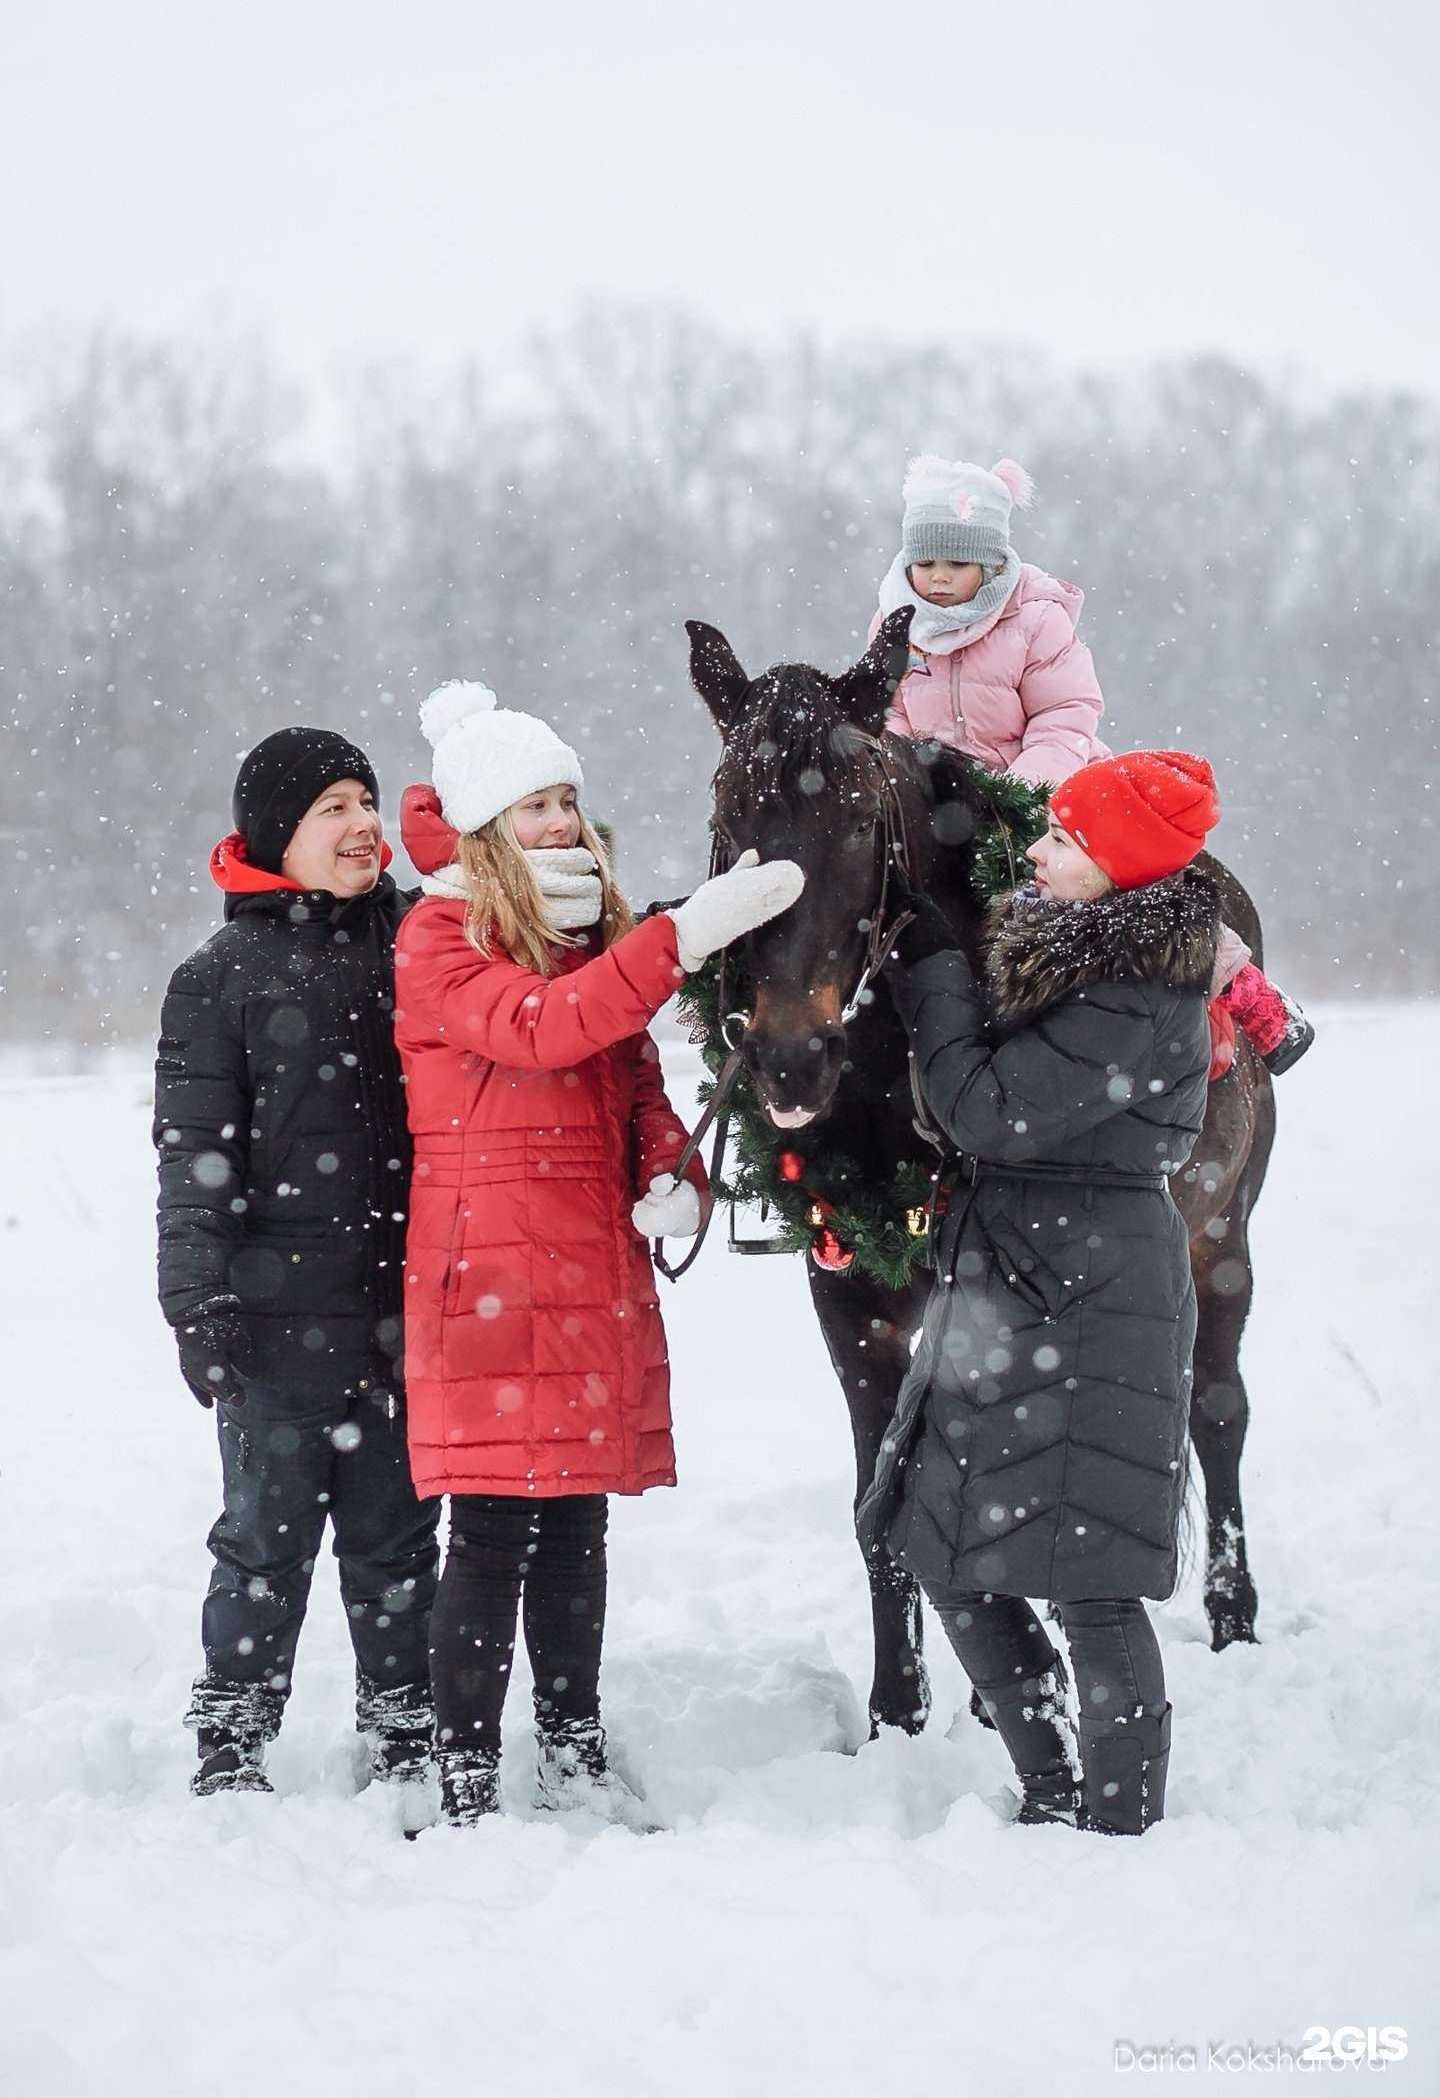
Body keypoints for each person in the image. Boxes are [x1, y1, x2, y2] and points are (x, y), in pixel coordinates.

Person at [395, 682, 803, 1826]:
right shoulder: (439, 937)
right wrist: (686, 936)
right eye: (535, 806)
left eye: (570, 799)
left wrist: (674, 1171)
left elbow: (627, 1081)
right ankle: (467, 1769)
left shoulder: (592, 937)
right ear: (484, 826)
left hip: (588, 1271)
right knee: (488, 1535)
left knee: (576, 1527)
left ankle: (573, 1740)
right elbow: (548, 1028)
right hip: (489, 1278)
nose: (563, 822)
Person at [858, 750, 1227, 1835]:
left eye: (1066, 840)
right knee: (938, 1539)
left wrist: (934, 975)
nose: (1040, 849)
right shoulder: (1077, 954)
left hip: (1091, 1288)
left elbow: (985, 1111)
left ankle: (1120, 1824)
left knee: (1089, 1577)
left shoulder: (1141, 992)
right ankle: (1054, 1778)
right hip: (1021, 1268)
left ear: (1120, 870)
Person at [155, 728, 441, 1797]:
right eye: (334, 807)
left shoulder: (419, 942)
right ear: (282, 833)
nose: (363, 824)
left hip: (404, 1313)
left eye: (366, 801)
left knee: (399, 1541)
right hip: (274, 1326)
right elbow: (194, 1161)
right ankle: (232, 1739)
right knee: (263, 1547)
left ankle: (403, 1728)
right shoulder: (219, 977)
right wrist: (198, 1302)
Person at [873, 454, 1313, 1074]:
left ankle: (1248, 997)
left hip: (1047, 791)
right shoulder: (896, 626)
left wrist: (1016, 790)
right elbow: (888, 717)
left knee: (1129, 892)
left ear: (993, 563)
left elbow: (1067, 711)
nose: (938, 579)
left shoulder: (1034, 618)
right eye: (926, 563)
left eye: (957, 564)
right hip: (937, 806)